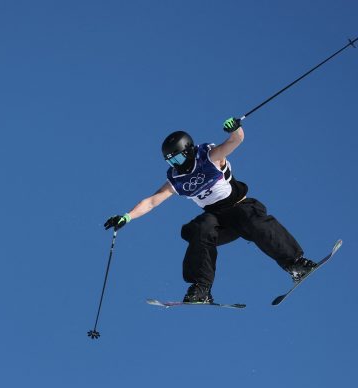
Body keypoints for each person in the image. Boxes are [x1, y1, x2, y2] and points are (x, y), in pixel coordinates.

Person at [104, 118, 318, 304]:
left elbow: (236, 140)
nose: (176, 164)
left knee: (253, 220)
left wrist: (235, 128)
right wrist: (127, 217)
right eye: (171, 161)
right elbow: (152, 201)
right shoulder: (177, 179)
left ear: (188, 151)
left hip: (239, 207)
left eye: (178, 158)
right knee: (200, 228)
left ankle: (295, 264)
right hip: (219, 222)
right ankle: (201, 288)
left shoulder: (210, 156)